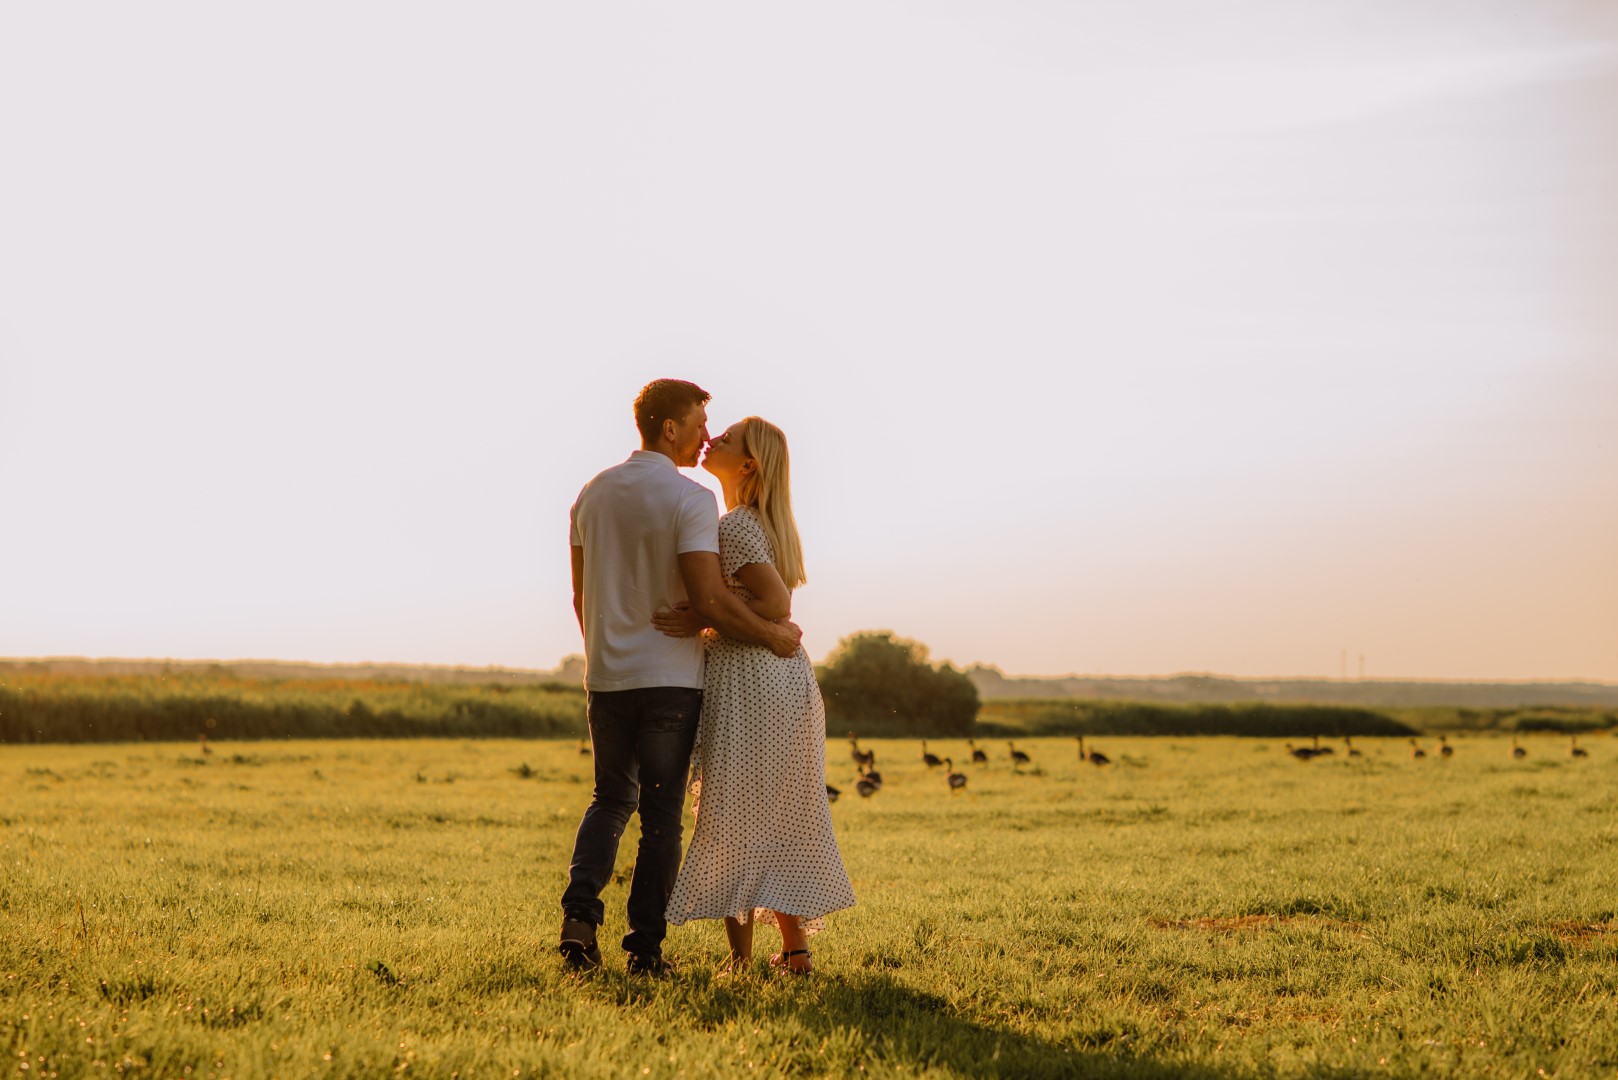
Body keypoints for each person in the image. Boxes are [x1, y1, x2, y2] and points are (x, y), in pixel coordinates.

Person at [561, 380, 802, 975]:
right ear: (669, 428)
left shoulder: (590, 494)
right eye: (697, 424)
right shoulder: (692, 499)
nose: (703, 436)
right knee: (662, 818)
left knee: (610, 800)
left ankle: (578, 923)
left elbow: (579, 596)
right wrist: (774, 634)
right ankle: (645, 952)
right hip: (670, 679)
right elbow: (713, 602)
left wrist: (605, 653)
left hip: (608, 677)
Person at [657, 416, 855, 975]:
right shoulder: (762, 523)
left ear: (748, 465)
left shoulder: (737, 525)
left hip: (751, 681)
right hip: (778, 679)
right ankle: (795, 953)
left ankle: (740, 963)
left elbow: (775, 606)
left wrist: (701, 614)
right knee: (774, 813)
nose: (712, 439)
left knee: (733, 812)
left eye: (727, 440)